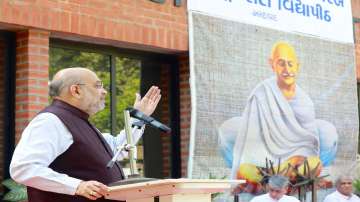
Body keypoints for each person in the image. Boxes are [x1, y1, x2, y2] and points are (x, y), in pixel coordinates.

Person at [10, 67, 162, 202]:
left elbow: (116, 149)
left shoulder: (80, 121)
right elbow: (24, 167)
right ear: (76, 90)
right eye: (98, 86)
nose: (104, 91)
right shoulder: (50, 120)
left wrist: (139, 118)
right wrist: (78, 186)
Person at [218, 42, 338, 188]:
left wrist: (294, 159)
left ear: (297, 66)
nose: (287, 69)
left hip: (293, 165)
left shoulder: (305, 101)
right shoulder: (262, 93)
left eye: (290, 64)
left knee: (316, 160)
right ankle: (280, 181)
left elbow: (309, 144)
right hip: (265, 162)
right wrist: (269, 162)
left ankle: (277, 182)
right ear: (272, 64)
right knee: (239, 153)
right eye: (281, 63)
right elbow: (251, 140)